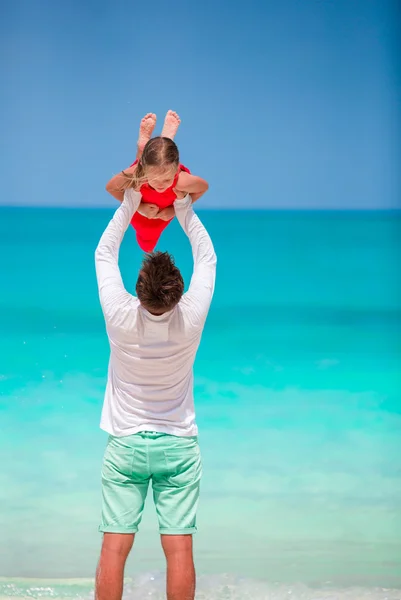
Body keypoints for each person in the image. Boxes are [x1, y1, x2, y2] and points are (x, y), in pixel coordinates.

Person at [94, 184, 217, 600]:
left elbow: (104, 252)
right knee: (179, 545)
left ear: (139, 287)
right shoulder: (192, 317)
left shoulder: (119, 316)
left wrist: (131, 202)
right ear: (179, 290)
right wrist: (182, 206)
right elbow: (207, 256)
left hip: (126, 444)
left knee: (114, 546)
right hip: (179, 448)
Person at [105, 111, 209, 252]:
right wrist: (140, 208)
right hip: (139, 205)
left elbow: (203, 187)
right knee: (146, 245)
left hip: (148, 181)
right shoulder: (140, 174)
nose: (160, 185)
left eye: (167, 179)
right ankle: (156, 146)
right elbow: (110, 187)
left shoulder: (180, 181)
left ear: (176, 170)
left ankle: (154, 147)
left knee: (147, 245)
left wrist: (174, 210)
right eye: (154, 180)